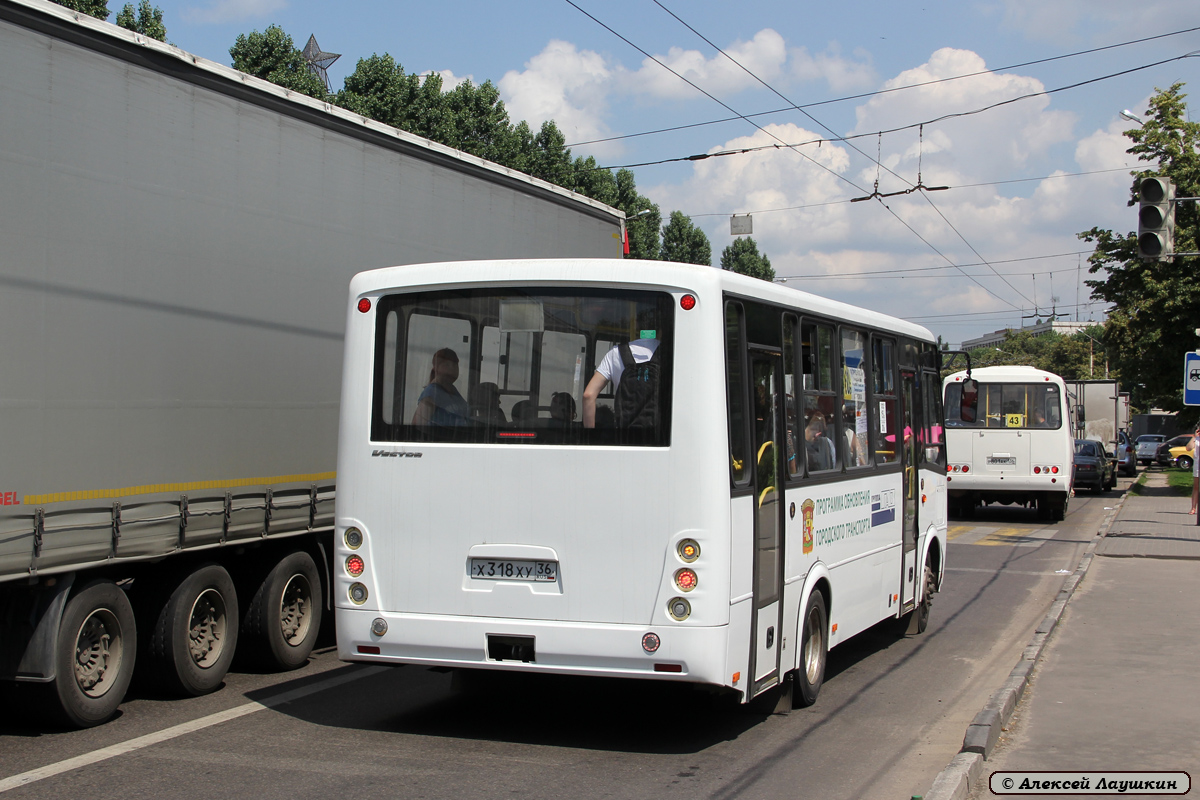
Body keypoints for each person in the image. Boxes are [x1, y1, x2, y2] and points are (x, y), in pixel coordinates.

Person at [582, 323, 661, 428]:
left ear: (636, 326)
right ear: (660, 330)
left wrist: (590, 437)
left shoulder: (615, 353)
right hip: (658, 438)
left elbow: (588, 395)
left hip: (625, 438)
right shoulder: (671, 353)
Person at [411, 348, 470, 426]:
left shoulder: (453, 390)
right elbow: (417, 426)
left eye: (455, 365)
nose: (452, 369)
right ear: (436, 368)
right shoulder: (432, 393)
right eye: (447, 365)